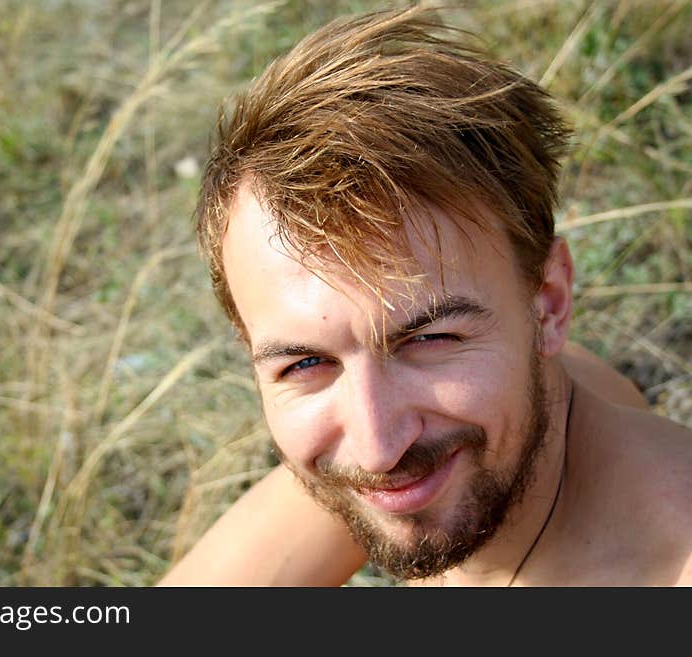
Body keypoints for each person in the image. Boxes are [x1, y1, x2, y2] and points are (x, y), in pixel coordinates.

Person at [159, 7, 692, 586]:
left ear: (549, 302)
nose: (377, 450)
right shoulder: (435, 435)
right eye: (306, 362)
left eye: (431, 338)